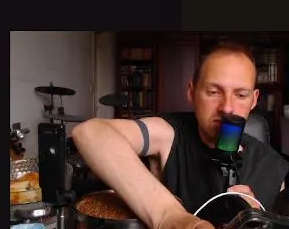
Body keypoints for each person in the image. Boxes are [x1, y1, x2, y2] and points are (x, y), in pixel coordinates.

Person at [73, 40, 289, 229]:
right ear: (192, 92)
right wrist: (169, 216)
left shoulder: (273, 167)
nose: (227, 108)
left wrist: (257, 219)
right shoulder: (168, 134)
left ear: (254, 99)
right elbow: (90, 132)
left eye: (241, 95)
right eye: (213, 92)